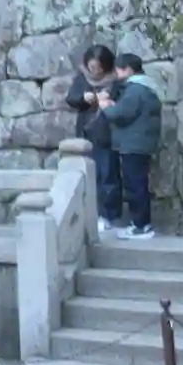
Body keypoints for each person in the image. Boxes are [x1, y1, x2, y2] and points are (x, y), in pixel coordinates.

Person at [99, 53, 163, 240]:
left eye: (118, 70)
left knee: (135, 186)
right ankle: (141, 224)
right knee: (139, 184)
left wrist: (105, 106)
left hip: (133, 145)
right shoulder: (147, 87)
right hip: (141, 143)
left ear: (127, 69)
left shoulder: (135, 89)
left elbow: (120, 114)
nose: (117, 75)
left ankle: (141, 227)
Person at [65, 45, 122, 234]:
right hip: (86, 132)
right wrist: (84, 98)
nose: (95, 71)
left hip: (107, 134)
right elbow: (71, 98)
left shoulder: (115, 80)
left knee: (108, 176)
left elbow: (121, 103)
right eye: (92, 67)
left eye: (99, 67)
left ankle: (108, 215)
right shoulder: (82, 78)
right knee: (88, 177)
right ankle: (89, 215)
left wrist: (108, 99)